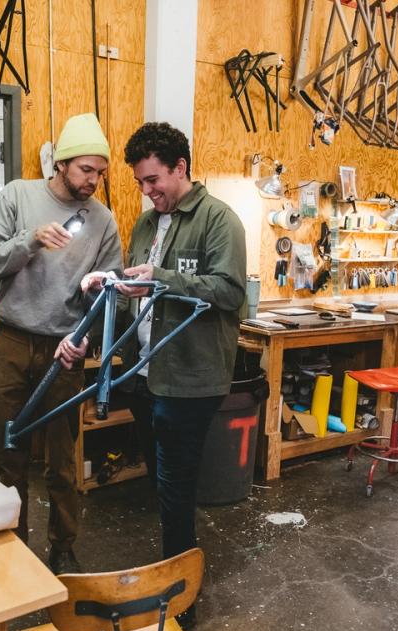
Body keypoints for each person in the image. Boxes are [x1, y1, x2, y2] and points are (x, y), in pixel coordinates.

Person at [87, 121, 246, 565]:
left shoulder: (218, 220)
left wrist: (161, 279)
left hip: (189, 378)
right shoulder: (144, 224)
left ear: (180, 167)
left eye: (153, 180)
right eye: (140, 182)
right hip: (144, 373)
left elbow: (230, 292)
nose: (146, 191)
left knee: (176, 484)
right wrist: (108, 291)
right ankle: (174, 568)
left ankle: (180, 590)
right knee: (160, 478)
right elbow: (136, 292)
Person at [0, 113, 122, 574]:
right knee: (9, 452)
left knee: (62, 459)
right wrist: (29, 240)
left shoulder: (102, 221)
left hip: (65, 350)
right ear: (60, 163)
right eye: (85, 171)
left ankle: (63, 546)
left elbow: (111, 292)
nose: (93, 181)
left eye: (100, 172)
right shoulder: (18, 196)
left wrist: (88, 335)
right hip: (11, 344)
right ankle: (14, 544)